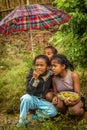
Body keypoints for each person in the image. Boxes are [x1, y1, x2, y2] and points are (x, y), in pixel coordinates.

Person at [17, 55, 57, 127]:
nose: (39, 67)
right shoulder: (32, 74)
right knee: (26, 98)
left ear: (47, 67)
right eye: (37, 65)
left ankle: (37, 114)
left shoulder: (50, 74)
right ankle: (22, 121)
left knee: (53, 112)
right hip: (33, 99)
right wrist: (35, 79)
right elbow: (29, 91)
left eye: (41, 65)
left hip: (43, 101)